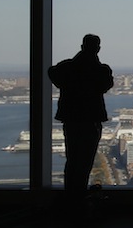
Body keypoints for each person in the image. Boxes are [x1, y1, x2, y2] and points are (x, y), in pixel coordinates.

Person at [48, 34, 114, 207]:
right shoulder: (101, 70)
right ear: (98, 48)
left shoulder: (67, 68)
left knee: (72, 158)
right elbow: (107, 84)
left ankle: (71, 194)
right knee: (85, 160)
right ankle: (79, 196)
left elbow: (52, 72)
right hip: (91, 120)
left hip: (71, 119)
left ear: (82, 46)